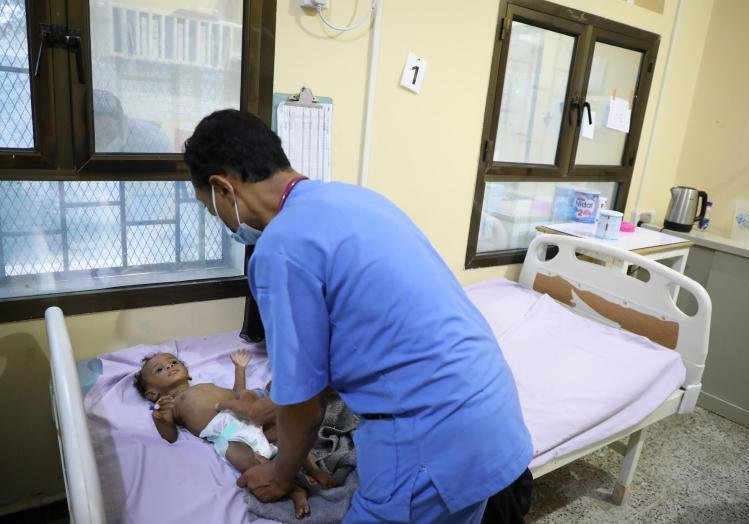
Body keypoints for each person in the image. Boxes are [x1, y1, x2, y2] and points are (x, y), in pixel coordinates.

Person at [183, 109, 533, 523]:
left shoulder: (281, 248)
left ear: (224, 188)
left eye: (212, 211)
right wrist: (272, 405)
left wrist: (280, 475)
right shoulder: (358, 199)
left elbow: (304, 405)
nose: (224, 223)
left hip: (434, 440)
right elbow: (367, 329)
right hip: (496, 408)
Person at [134, 350, 335, 518]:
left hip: (246, 415)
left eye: (173, 361)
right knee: (242, 456)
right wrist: (162, 420)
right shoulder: (173, 404)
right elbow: (170, 437)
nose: (169, 366)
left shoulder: (207, 386)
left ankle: (313, 468)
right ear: (152, 393)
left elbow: (238, 393)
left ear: (188, 373)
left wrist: (240, 368)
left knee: (290, 431)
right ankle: (294, 490)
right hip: (226, 432)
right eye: (159, 369)